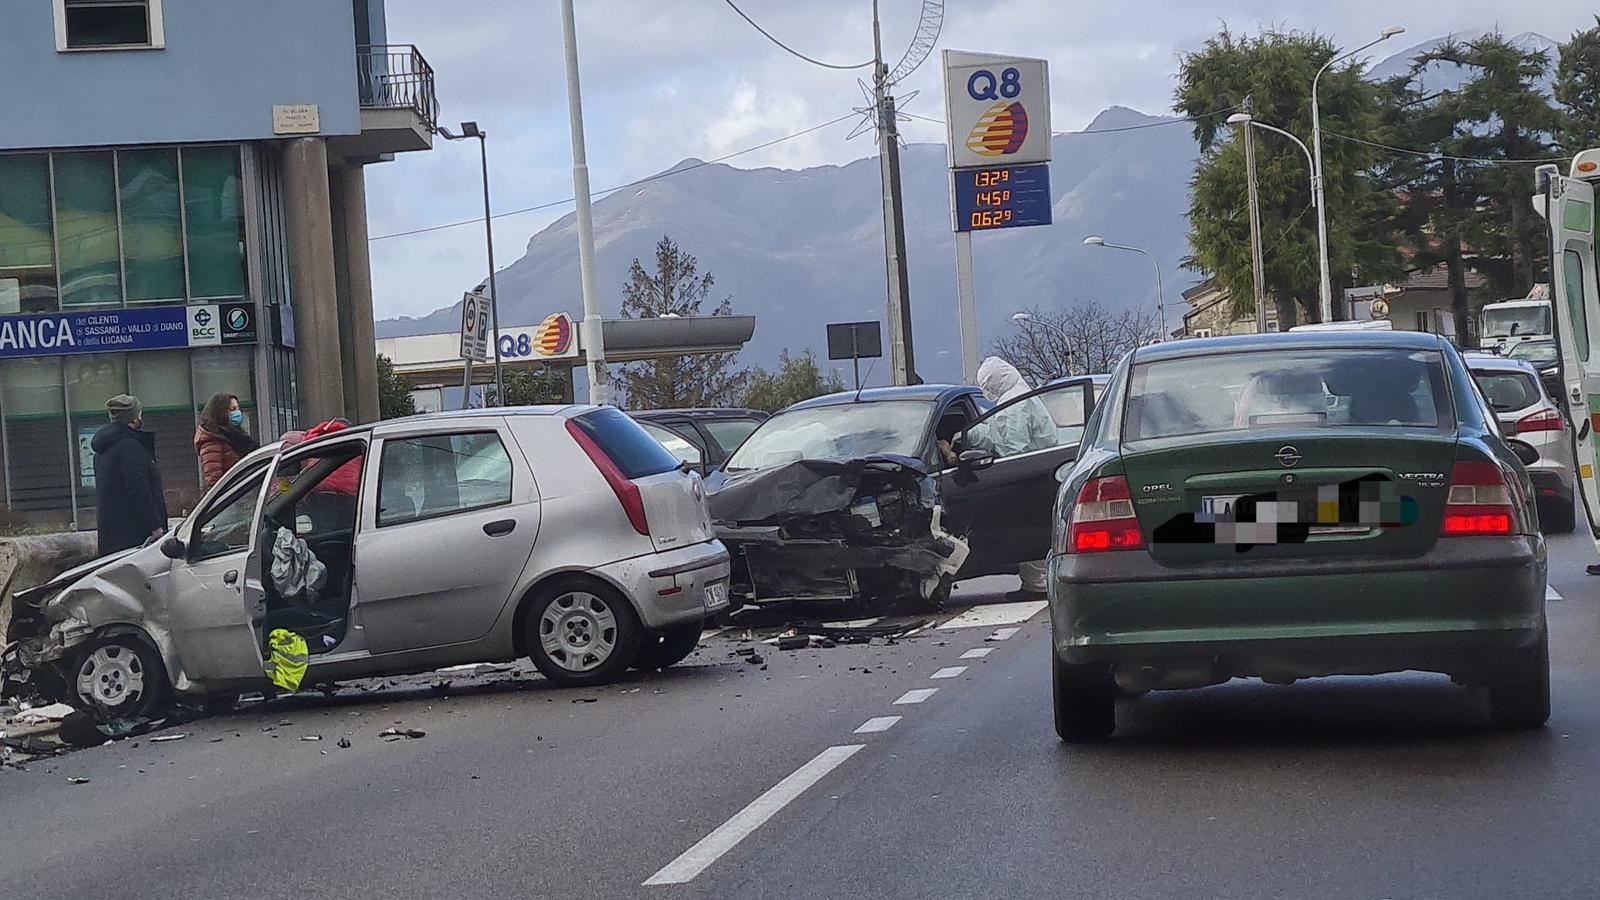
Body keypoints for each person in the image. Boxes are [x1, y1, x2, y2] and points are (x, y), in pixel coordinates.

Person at [941, 357, 1059, 601]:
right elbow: (993, 431)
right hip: (1039, 472)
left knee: (1028, 528)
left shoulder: (1014, 406)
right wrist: (967, 435)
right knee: (1033, 528)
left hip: (1027, 475)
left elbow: (1012, 449)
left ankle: (1036, 585)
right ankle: (1035, 583)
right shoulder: (1016, 398)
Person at [92, 394, 168, 556]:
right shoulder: (130, 447)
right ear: (133, 420)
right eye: (139, 415)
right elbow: (138, 489)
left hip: (112, 536)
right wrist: (155, 525)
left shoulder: (102, 449)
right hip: (135, 536)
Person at [194, 392, 259, 489]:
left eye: (238, 408)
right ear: (221, 412)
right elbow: (214, 481)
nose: (237, 413)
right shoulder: (211, 442)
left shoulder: (235, 435)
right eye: (232, 409)